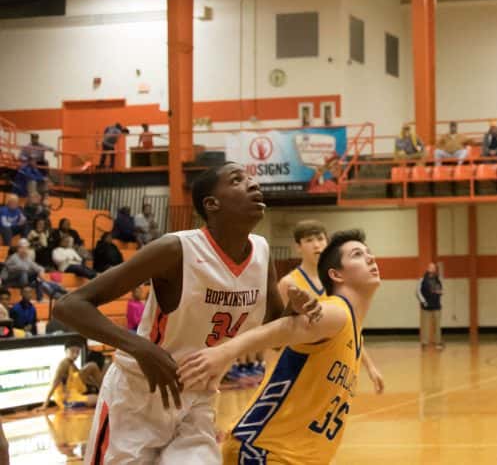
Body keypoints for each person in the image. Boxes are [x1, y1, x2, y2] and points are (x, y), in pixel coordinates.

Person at [52, 161, 321, 464]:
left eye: (251, 179)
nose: (253, 184)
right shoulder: (175, 249)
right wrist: (139, 346)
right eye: (237, 180)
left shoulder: (262, 251)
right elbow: (69, 306)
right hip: (137, 396)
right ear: (212, 204)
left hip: (197, 400)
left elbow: (273, 333)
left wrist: (294, 311)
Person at [178, 229, 383, 464]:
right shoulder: (335, 312)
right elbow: (283, 328)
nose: (370, 258)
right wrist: (223, 353)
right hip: (263, 451)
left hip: (296, 455)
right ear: (336, 274)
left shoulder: (351, 328)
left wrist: (370, 367)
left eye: (369, 252)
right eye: (358, 254)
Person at [276, 221, 385, 390]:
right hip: (300, 368)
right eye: (309, 240)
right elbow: (278, 332)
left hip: (334, 365)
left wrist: (370, 367)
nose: (316, 245)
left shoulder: (338, 282)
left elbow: (351, 329)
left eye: (320, 239)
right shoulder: (288, 283)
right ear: (298, 247)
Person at [40, 342, 105, 411]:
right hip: (66, 398)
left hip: (73, 389)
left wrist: (94, 384)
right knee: (100, 399)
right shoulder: (63, 364)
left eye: (77, 352)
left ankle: (105, 391)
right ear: (66, 351)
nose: (75, 355)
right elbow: (54, 384)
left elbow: (81, 374)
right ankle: (105, 392)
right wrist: (44, 405)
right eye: (72, 351)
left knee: (92, 365)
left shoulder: (70, 362)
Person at [418, 262, 444, 350]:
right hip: (426, 307)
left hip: (436, 306)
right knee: (425, 326)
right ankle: (424, 343)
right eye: (430, 267)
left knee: (437, 326)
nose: (432, 269)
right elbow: (417, 292)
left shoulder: (438, 280)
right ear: (428, 268)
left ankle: (438, 343)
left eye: (433, 268)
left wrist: (440, 292)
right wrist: (423, 302)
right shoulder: (422, 280)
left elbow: (440, 290)